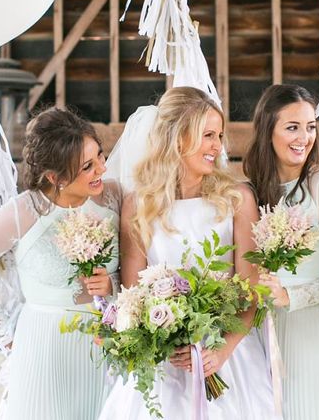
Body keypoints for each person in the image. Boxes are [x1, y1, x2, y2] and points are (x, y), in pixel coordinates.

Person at [99, 87, 278, 419]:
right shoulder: (138, 206)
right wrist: (162, 339)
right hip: (164, 362)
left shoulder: (237, 200)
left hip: (227, 360)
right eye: (208, 135)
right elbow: (133, 296)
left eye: (219, 135)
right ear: (177, 137)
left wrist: (221, 351)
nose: (218, 146)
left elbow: (251, 292)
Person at [0, 107, 120, 420]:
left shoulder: (112, 197)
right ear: (55, 177)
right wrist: (5, 336)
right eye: (87, 166)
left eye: (100, 156)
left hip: (104, 343)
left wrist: (111, 282)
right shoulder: (26, 210)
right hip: (44, 346)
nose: (101, 168)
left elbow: (133, 260)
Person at [243, 84, 319, 419]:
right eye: (292, 127)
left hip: (311, 333)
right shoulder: (253, 190)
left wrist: (291, 296)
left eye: (310, 127)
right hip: (261, 333)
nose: (304, 138)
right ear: (268, 131)